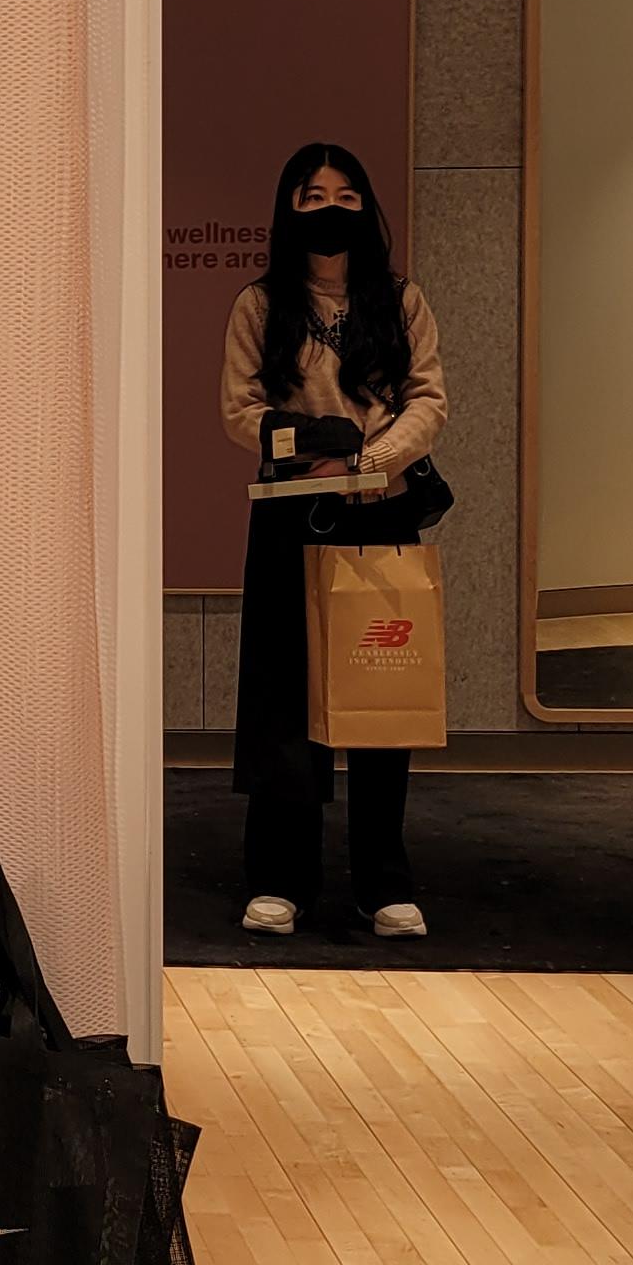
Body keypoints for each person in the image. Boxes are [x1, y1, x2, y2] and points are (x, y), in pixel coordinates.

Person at [218, 142, 447, 939]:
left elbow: (429, 400)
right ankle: (280, 878)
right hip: (291, 518)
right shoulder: (259, 305)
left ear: (366, 206)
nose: (330, 209)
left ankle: (383, 883)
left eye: (346, 195)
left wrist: (370, 459)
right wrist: (304, 443)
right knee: (284, 698)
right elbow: (239, 410)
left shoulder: (401, 299)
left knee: (383, 693)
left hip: (383, 514)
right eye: (313, 196)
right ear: (289, 208)